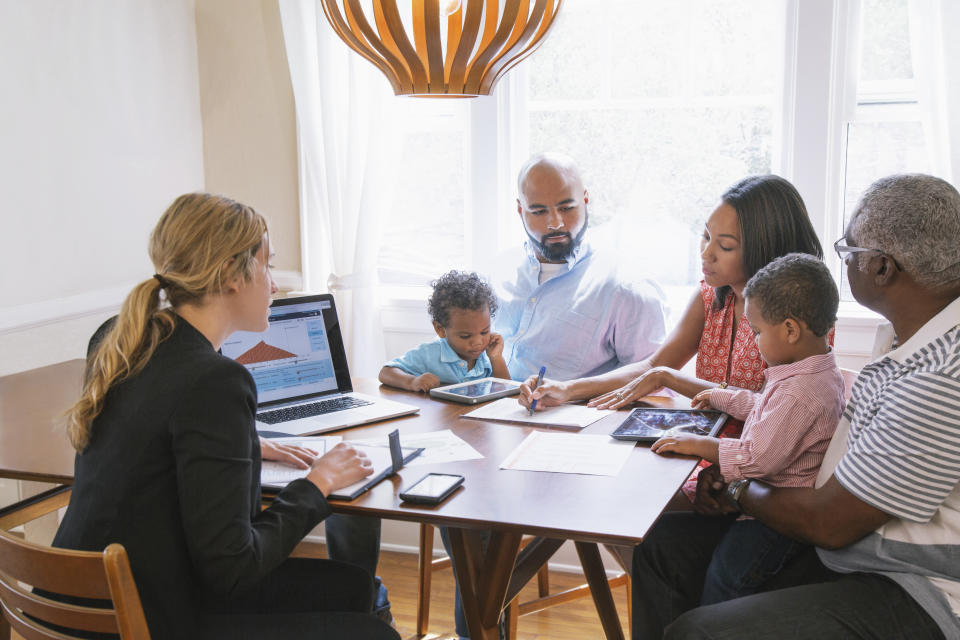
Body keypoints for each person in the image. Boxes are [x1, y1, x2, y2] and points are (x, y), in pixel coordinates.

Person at [52, 193, 400, 640]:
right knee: (376, 633)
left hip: (74, 602)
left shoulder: (119, 340)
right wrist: (319, 484)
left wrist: (246, 443)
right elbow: (234, 569)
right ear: (233, 275)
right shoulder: (216, 381)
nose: (274, 284)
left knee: (355, 588)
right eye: (268, 266)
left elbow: (154, 439)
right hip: (145, 618)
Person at [632, 173, 960, 640]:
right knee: (660, 550)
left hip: (914, 586)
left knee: (701, 630)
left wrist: (736, 487)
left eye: (850, 252)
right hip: (859, 544)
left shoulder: (940, 376)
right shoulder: (912, 337)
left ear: (883, 268)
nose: (844, 263)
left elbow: (830, 521)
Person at [520, 173, 824, 413]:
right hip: (703, 448)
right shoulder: (710, 297)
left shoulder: (800, 313)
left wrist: (669, 378)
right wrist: (567, 389)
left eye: (726, 245)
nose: (706, 253)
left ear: (763, 249)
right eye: (706, 235)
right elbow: (654, 366)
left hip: (755, 462)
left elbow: (773, 410)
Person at [649, 253, 844, 605]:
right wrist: (723, 397)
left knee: (727, 580)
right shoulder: (810, 372)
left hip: (774, 523)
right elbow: (764, 409)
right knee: (664, 543)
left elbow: (758, 458)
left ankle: (712, 625)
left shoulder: (800, 391)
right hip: (762, 508)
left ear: (789, 330)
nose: (753, 340)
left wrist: (697, 445)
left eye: (756, 332)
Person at [492, 152, 667, 382]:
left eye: (566, 208)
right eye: (538, 211)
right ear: (519, 210)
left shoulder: (626, 287)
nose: (555, 223)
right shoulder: (497, 272)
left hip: (569, 416)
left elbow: (652, 386)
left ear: (585, 201)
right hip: (485, 411)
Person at [379, 270, 509, 391]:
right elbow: (386, 372)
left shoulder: (488, 355)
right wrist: (412, 381)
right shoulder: (430, 353)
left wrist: (497, 358)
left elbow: (506, 392)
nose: (478, 342)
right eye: (465, 336)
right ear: (440, 329)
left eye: (484, 332)